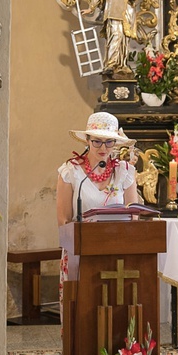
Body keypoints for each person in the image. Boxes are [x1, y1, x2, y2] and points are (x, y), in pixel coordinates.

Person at [56, 112, 138, 317]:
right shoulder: (71, 171)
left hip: (116, 251)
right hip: (80, 252)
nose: (103, 149)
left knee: (114, 309)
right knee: (82, 312)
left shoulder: (125, 171)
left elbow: (133, 214)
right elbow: (63, 220)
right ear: (87, 140)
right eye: (97, 142)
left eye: (109, 142)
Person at [82, 0, 137, 77]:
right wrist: (91, 8)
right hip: (113, 11)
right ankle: (111, 64)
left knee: (124, 39)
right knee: (116, 35)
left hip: (127, 13)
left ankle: (122, 64)